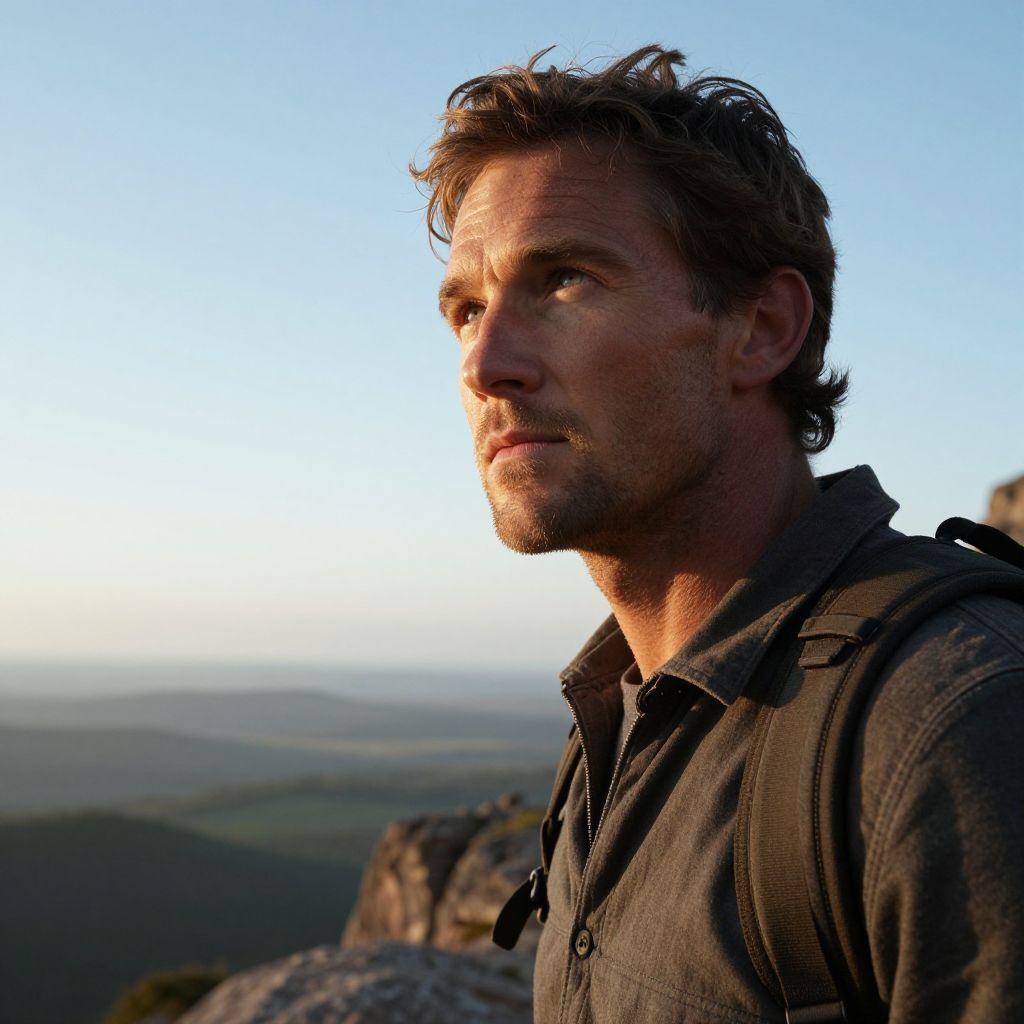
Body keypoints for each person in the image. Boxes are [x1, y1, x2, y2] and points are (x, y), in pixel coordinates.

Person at [412, 46, 1024, 1023]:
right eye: (466, 309)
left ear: (762, 327)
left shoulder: (951, 727)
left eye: (565, 279)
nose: (485, 363)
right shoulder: (615, 720)